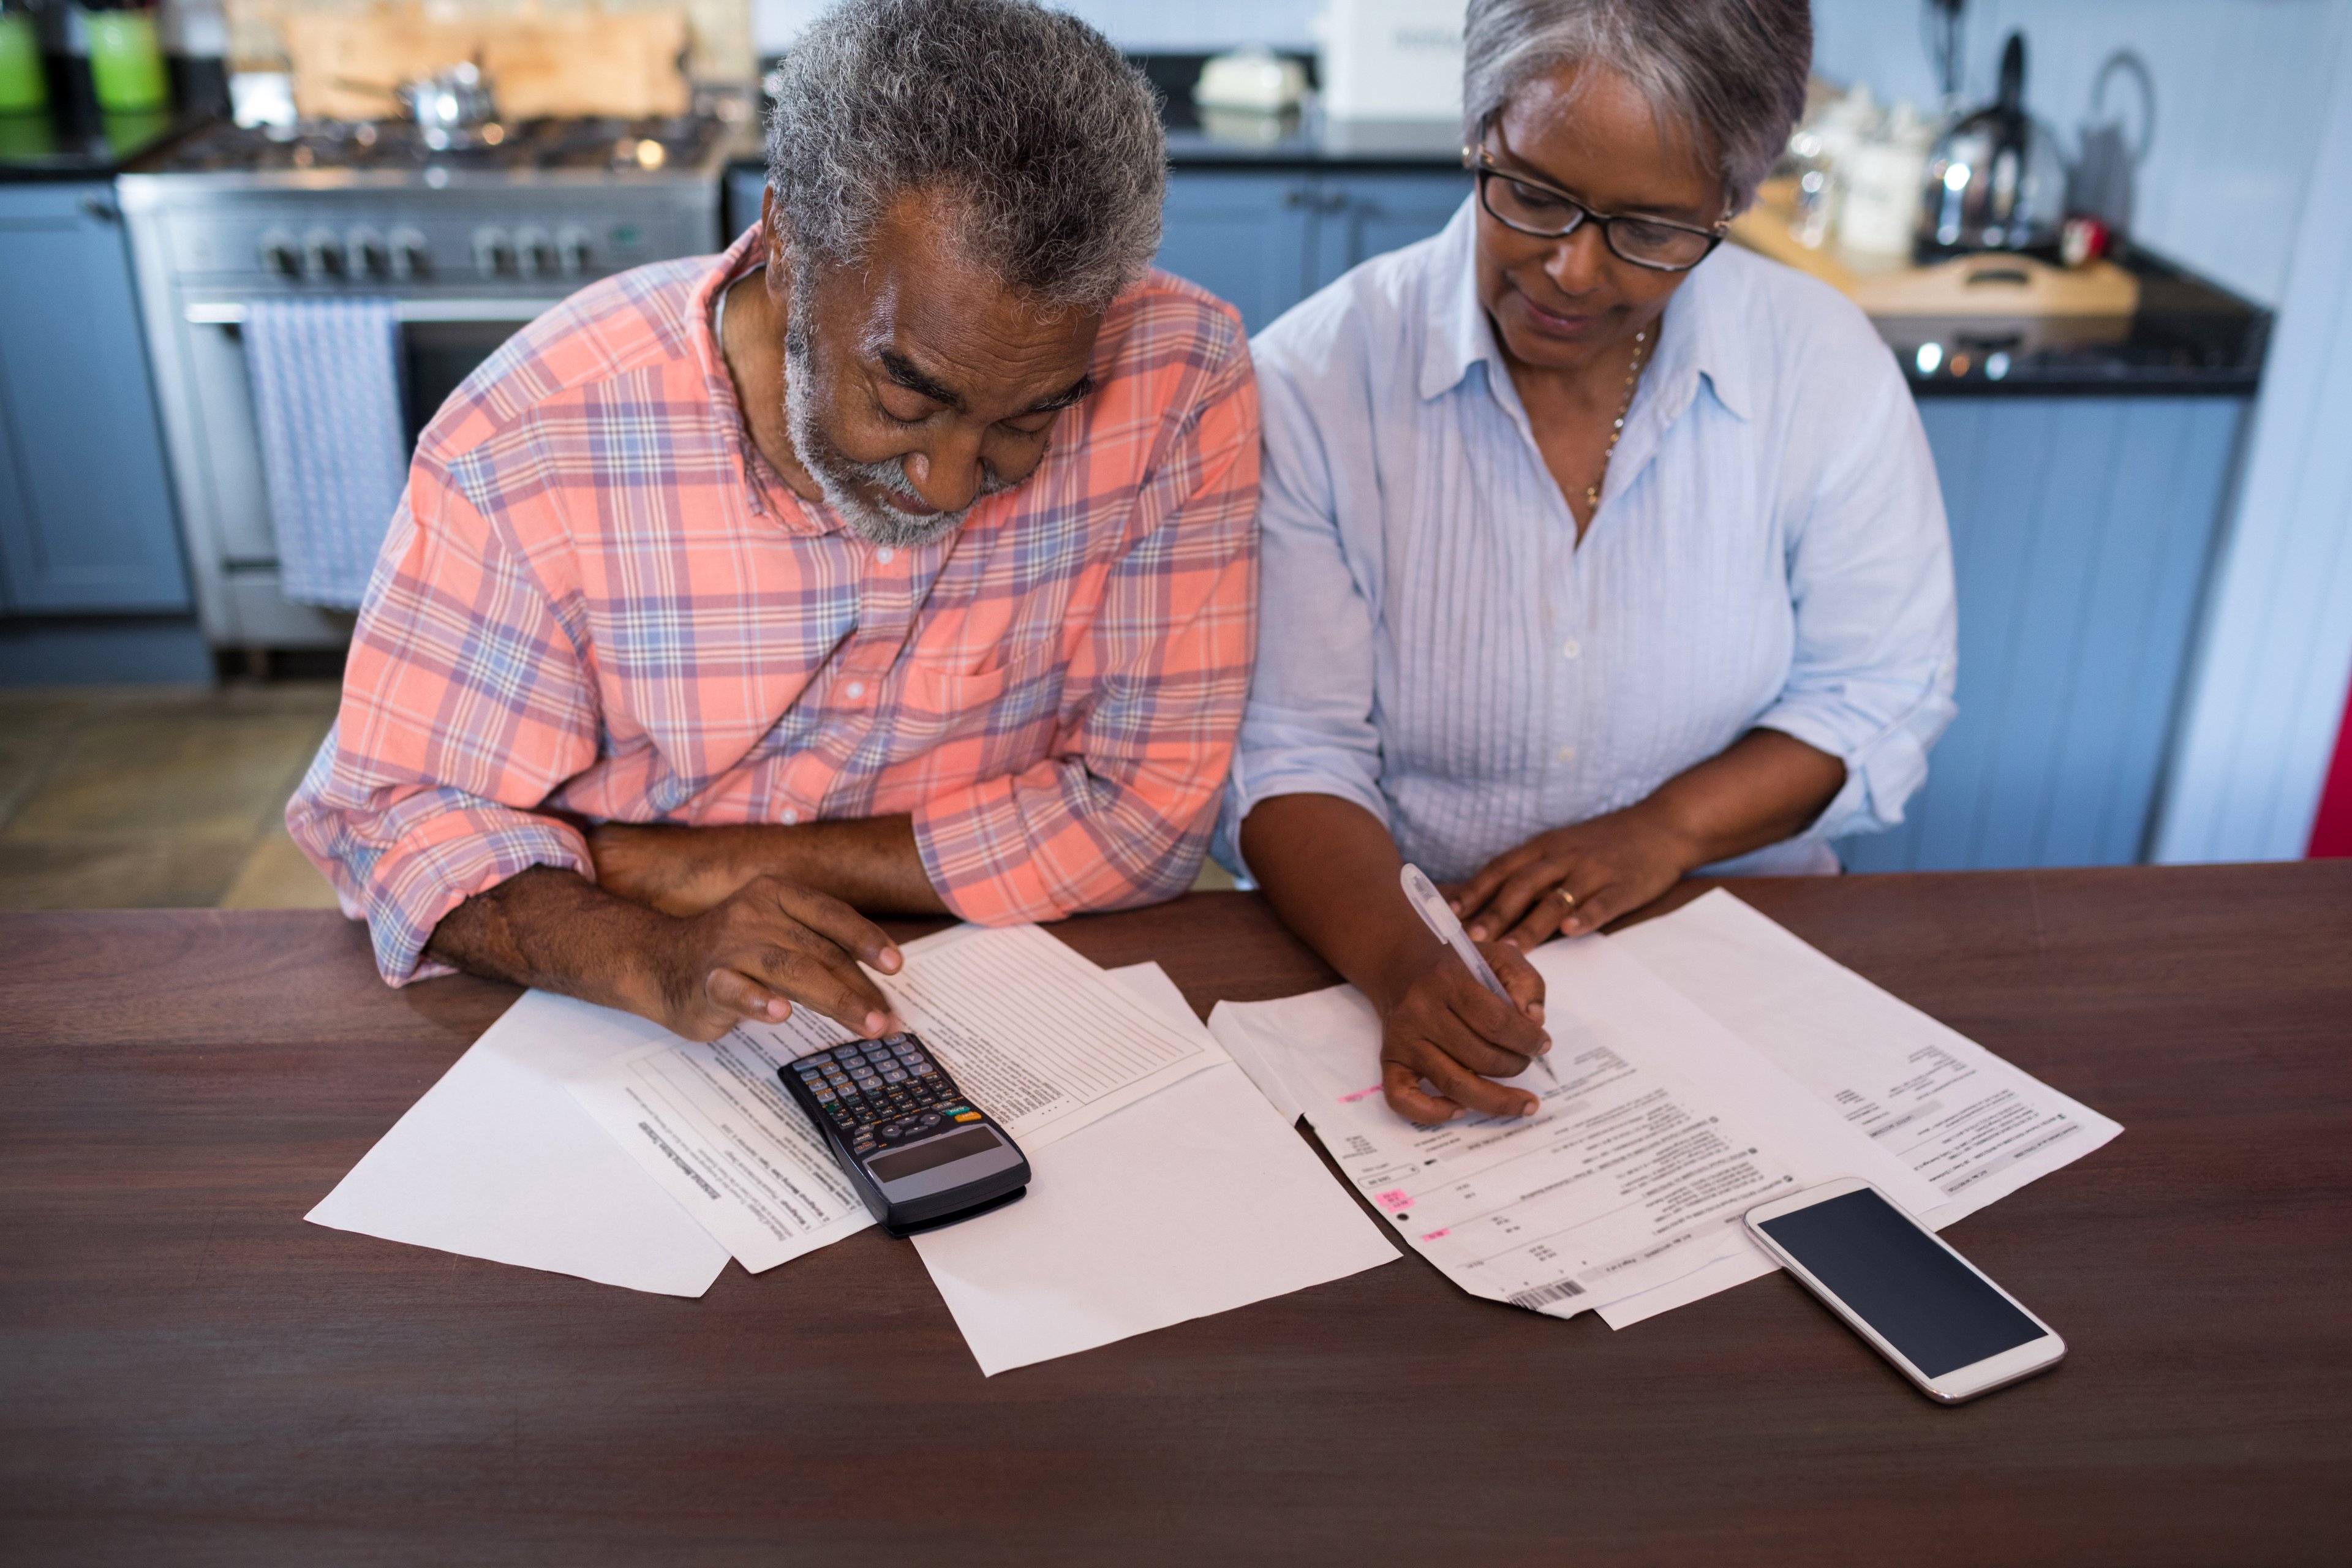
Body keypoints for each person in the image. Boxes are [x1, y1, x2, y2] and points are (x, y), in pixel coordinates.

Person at [289, 0, 1259, 1044]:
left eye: (1030, 418)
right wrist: (647, 950)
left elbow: (1149, 816)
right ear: (788, 247)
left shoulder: (1178, 378)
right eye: (906, 395)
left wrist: (689, 865)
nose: (946, 486)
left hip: (992, 996)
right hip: (610, 1009)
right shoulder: (534, 434)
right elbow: (394, 822)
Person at [1221, 0, 1956, 1124]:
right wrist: (1409, 963)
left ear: (1731, 200)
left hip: (1742, 946)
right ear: (1480, 131)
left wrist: (1667, 832)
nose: (1569, 270)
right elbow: (1290, 752)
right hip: (1413, 947)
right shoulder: (1317, 384)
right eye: (1531, 194)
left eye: (1652, 231)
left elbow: (1879, 690)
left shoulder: (1820, 365)